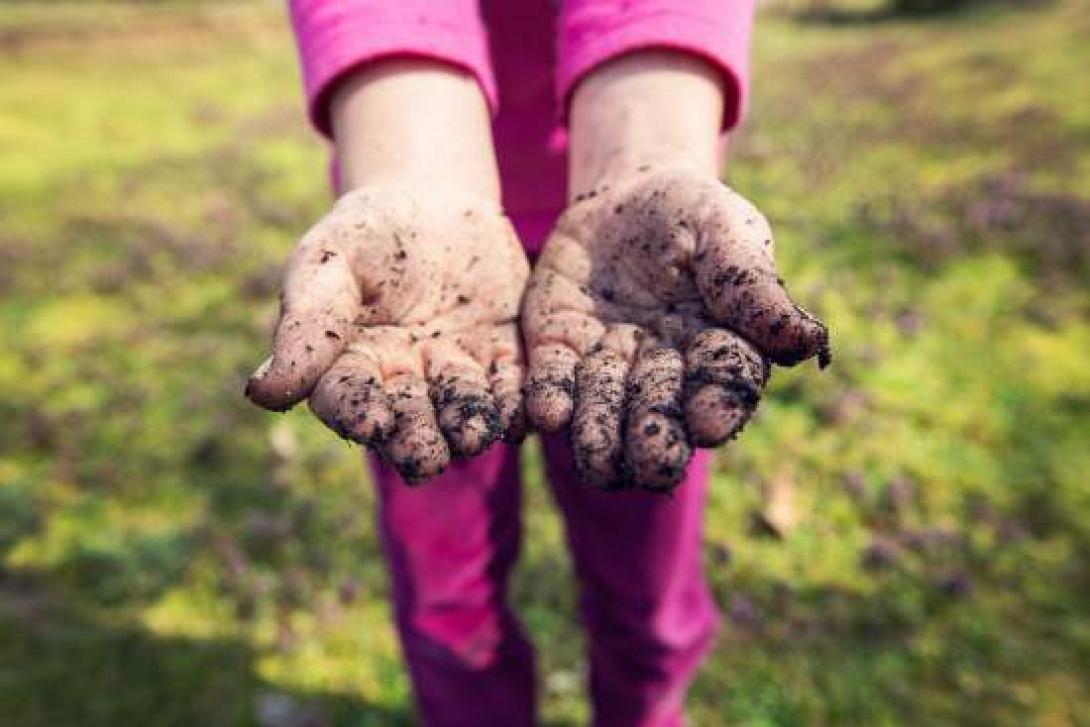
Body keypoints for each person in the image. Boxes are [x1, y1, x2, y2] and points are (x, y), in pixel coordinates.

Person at [245, 1, 828, 724]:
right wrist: (415, 162)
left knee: (648, 600)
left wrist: (645, 152)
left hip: (639, 259)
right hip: (422, 270)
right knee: (446, 601)